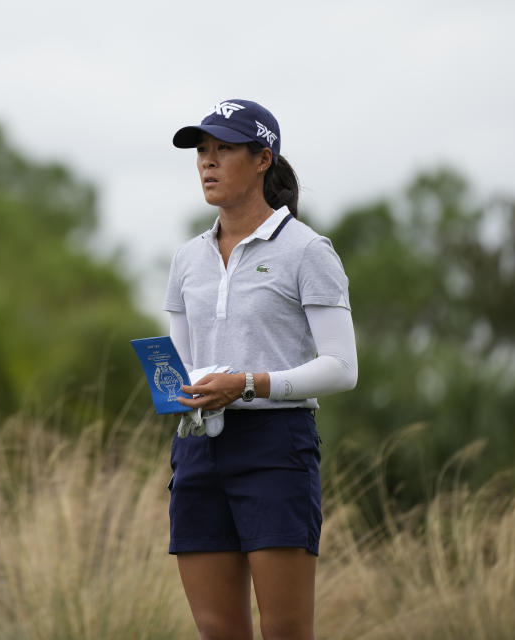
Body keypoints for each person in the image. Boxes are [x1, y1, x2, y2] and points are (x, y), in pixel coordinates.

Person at [163, 99, 357, 640]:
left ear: (262, 159)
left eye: (224, 149)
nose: (208, 162)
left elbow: (342, 368)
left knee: (286, 631)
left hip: (276, 447)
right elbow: (185, 364)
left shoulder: (307, 250)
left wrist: (248, 384)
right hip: (199, 450)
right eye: (202, 151)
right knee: (219, 630)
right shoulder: (186, 259)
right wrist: (178, 386)